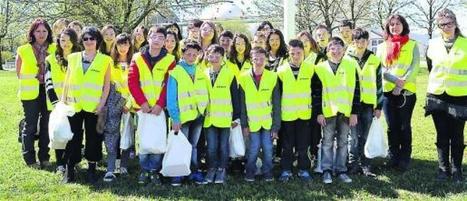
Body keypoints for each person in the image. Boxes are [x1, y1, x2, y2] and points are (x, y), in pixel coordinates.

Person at [62, 26, 112, 184]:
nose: (89, 41)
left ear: (98, 40)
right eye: (85, 39)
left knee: (94, 139)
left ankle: (92, 169)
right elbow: (67, 81)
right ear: (81, 41)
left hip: (95, 108)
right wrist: (63, 101)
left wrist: (102, 104)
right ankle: (70, 169)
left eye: (92, 38)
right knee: (73, 138)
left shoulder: (105, 60)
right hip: (74, 106)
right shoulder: (73, 57)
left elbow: (107, 86)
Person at [128, 26, 176, 185]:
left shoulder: (170, 60)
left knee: (157, 141)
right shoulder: (137, 57)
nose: (157, 40)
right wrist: (142, 103)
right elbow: (132, 82)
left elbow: (169, 85)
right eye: (154, 36)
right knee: (143, 141)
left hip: (158, 109)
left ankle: (155, 171)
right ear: (148, 38)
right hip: (142, 108)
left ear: (164, 42)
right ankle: (144, 170)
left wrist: (160, 104)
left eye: (161, 38)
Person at [425, 8, 467, 183]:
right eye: (442, 25)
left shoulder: (465, 44)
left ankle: (457, 170)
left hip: (459, 96)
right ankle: (443, 169)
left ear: (455, 23)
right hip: (437, 95)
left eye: (449, 23)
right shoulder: (432, 44)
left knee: (457, 135)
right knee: (441, 134)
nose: (446, 27)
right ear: (438, 26)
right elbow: (430, 67)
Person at [313, 37, 360, 184]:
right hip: (328, 112)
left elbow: (357, 90)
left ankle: (341, 170)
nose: (336, 51)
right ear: (328, 51)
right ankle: (326, 170)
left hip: (346, 111)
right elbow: (316, 93)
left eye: (339, 48)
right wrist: (319, 112)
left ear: (344, 50)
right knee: (327, 142)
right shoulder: (320, 68)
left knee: (343, 142)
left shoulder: (351, 66)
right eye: (333, 48)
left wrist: (354, 112)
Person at [376, 14, 419, 172]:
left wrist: (401, 85)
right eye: (391, 24)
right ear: (388, 27)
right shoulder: (381, 47)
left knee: (404, 126)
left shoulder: (413, 44)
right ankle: (393, 156)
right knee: (391, 126)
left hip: (406, 92)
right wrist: (396, 82)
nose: (394, 27)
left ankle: (405, 157)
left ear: (403, 26)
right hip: (388, 92)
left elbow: (414, 67)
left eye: (398, 24)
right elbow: (381, 69)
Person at [16, 18, 56, 168]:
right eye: (38, 31)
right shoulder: (23, 49)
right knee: (30, 125)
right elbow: (18, 72)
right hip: (30, 93)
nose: (41, 34)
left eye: (44, 31)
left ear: (48, 32)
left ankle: (44, 157)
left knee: (47, 124)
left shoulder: (54, 48)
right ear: (32, 32)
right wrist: (36, 77)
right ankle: (30, 158)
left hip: (48, 91)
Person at [167, 42, 208, 186]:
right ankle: (178, 174)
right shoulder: (176, 71)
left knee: (194, 146)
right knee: (180, 146)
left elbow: (204, 93)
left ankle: (193, 172)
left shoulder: (200, 71)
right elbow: (171, 98)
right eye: (188, 54)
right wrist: (175, 118)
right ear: (183, 54)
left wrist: (204, 110)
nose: (191, 57)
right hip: (182, 117)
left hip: (197, 115)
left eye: (194, 55)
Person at [240, 47, 280, 182]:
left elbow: (276, 104)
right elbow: (242, 105)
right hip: (252, 122)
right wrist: (244, 125)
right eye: (256, 59)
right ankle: (250, 172)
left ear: (266, 60)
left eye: (262, 59)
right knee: (254, 148)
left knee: (268, 148)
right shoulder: (244, 77)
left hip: (268, 122)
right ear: (251, 59)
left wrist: (275, 127)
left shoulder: (272, 77)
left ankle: (267, 172)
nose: (259, 61)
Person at [346, 28, 383, 177]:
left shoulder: (374, 60)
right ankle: (353, 164)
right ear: (353, 42)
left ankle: (366, 164)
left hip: (368, 104)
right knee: (353, 136)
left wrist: (379, 105)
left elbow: (380, 84)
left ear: (368, 41)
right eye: (357, 41)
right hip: (352, 104)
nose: (360, 44)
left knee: (366, 135)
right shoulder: (347, 59)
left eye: (363, 41)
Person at [44, 28, 81, 174]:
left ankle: (71, 162)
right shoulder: (50, 59)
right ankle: (60, 163)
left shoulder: (78, 58)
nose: (66, 43)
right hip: (57, 104)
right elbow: (48, 82)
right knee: (59, 133)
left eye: (69, 40)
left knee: (73, 134)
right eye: (63, 40)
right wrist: (56, 103)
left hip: (75, 104)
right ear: (58, 41)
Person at [277, 39, 314, 182]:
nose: (296, 56)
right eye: (293, 53)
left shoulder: (311, 69)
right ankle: (286, 170)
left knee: (303, 145)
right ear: (288, 53)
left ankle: (303, 170)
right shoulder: (281, 71)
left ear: (304, 53)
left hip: (304, 114)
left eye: (299, 53)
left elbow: (316, 90)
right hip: (287, 115)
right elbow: (278, 94)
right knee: (287, 145)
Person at [203, 45, 240, 184]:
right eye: (211, 56)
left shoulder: (229, 74)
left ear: (222, 57)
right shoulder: (204, 74)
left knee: (223, 146)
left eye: (218, 56)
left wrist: (236, 117)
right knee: (211, 147)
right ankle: (211, 168)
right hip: (209, 118)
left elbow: (235, 98)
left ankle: (222, 169)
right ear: (207, 56)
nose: (214, 59)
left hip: (225, 118)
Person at [103, 33, 134, 182]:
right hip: (113, 102)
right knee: (111, 133)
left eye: (126, 44)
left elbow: (136, 86)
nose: (123, 47)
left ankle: (124, 165)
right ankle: (110, 167)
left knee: (127, 133)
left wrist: (129, 104)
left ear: (130, 46)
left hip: (129, 104)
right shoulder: (110, 62)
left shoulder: (135, 63)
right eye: (120, 44)